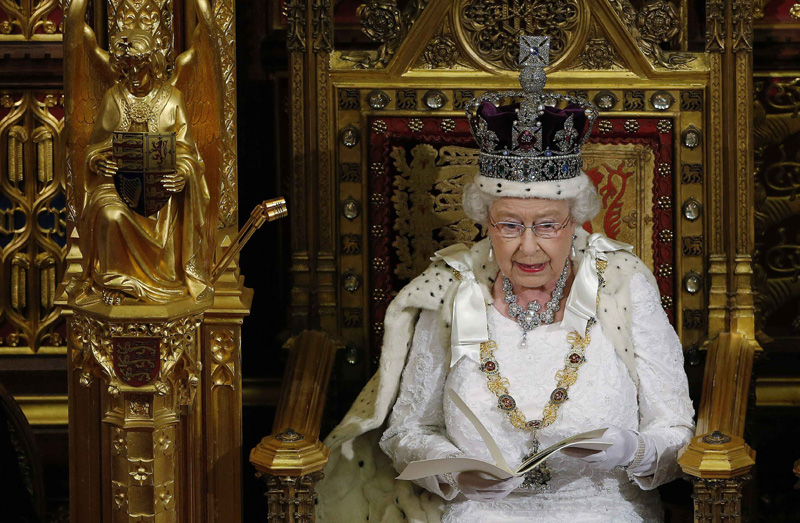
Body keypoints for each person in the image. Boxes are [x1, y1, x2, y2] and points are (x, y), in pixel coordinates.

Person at [317, 36, 694, 522]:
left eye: (547, 225)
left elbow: (678, 430)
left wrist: (634, 451)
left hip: (603, 509)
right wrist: (452, 471)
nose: (528, 246)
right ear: (485, 223)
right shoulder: (454, 289)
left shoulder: (622, 284)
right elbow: (405, 431)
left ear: (576, 222)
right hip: (479, 513)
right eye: (509, 225)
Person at [77, 28, 212, 305]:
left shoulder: (172, 99)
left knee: (168, 206)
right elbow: (94, 147)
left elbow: (188, 152)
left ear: (153, 65)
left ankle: (167, 278)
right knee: (109, 214)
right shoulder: (113, 98)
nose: (134, 76)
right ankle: (115, 282)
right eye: (128, 69)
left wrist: (182, 174)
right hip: (118, 187)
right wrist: (97, 160)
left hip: (161, 191)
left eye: (140, 67)